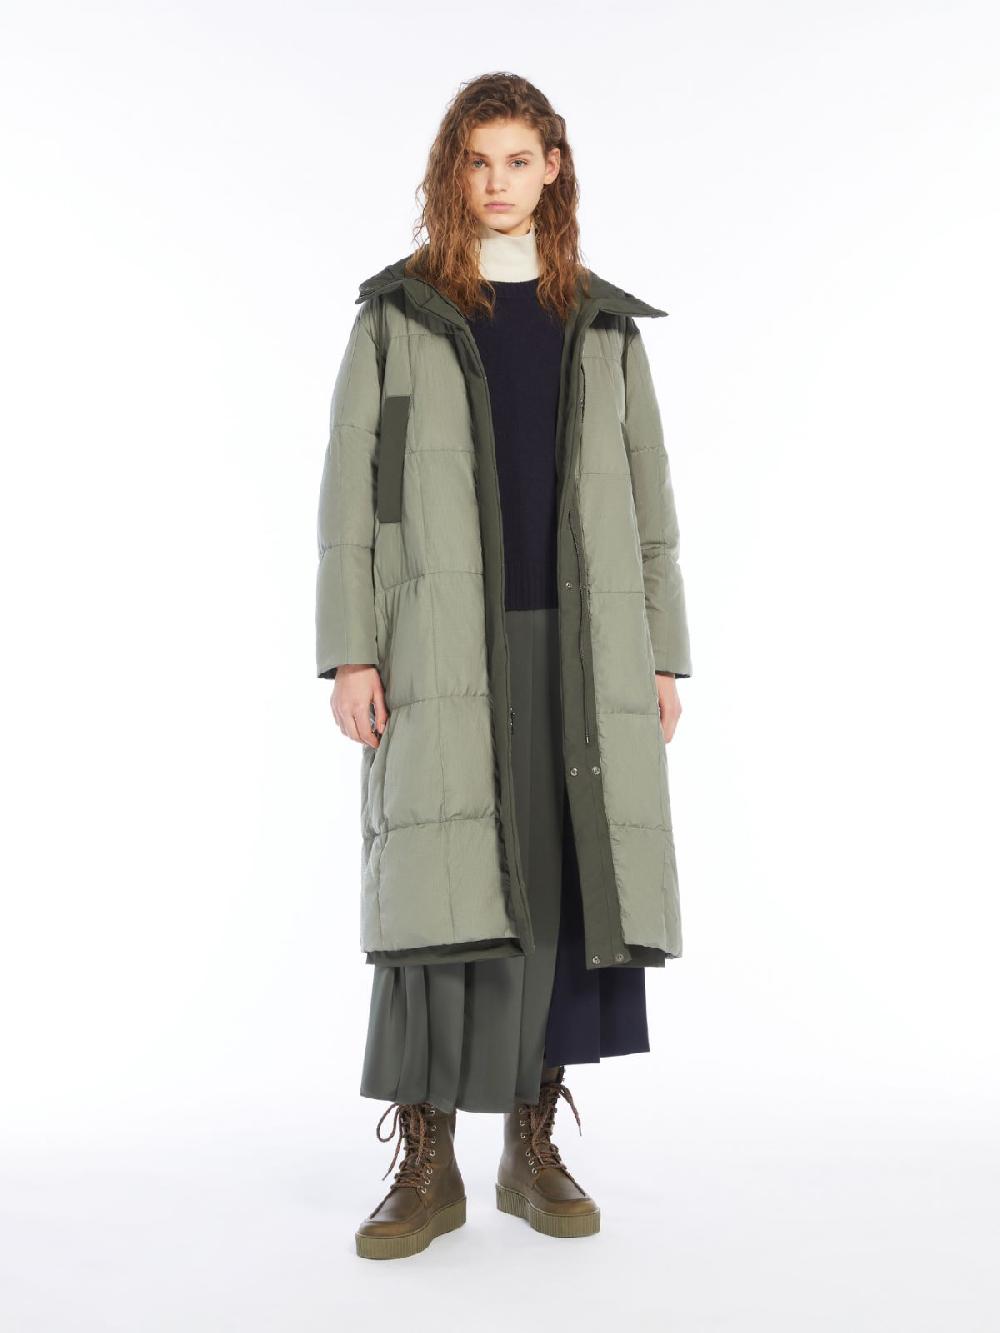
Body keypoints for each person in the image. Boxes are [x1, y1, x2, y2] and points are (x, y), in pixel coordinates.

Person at [315, 72, 692, 1261]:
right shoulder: (399, 313)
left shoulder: (602, 323)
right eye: (477, 161)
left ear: (552, 168)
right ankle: (423, 1159)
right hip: (438, 642)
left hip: (580, 648)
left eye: (518, 160)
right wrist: (351, 651)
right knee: (436, 887)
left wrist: (663, 654)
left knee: (566, 890)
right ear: (452, 171)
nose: (497, 182)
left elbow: (649, 502)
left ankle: (531, 1143)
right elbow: (348, 495)